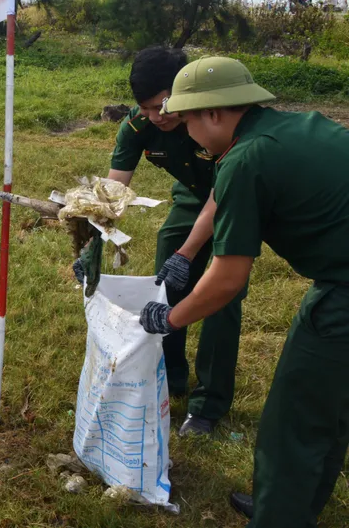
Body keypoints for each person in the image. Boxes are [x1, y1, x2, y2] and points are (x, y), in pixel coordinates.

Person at [138, 57, 349, 527]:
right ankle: (293, 502)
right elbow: (223, 203)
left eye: (189, 119)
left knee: (292, 421)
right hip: (339, 276)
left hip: (343, 293)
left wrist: (170, 319)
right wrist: (186, 253)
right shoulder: (293, 128)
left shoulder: (246, 157)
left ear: (213, 113)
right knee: (330, 410)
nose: (185, 131)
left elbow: (228, 278)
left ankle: (279, 516)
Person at [88, 47, 246, 436]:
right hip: (192, 198)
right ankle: (171, 375)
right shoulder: (139, 127)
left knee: (218, 295)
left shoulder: (215, 116)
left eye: (163, 105)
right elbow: (112, 191)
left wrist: (189, 252)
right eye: (146, 108)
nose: (157, 116)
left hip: (240, 196)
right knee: (166, 284)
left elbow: (224, 193)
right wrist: (92, 246)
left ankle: (208, 404)